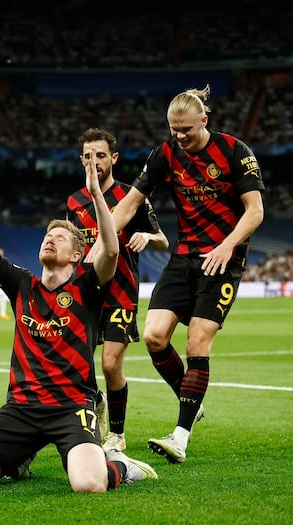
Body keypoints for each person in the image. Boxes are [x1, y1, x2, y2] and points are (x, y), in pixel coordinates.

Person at [0, 139, 158, 492]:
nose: (51, 239)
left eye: (61, 238)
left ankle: (120, 466)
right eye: (49, 235)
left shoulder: (88, 287)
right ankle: (18, 459)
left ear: (77, 255)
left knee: (89, 484)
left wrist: (96, 196)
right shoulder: (21, 285)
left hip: (71, 407)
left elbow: (110, 248)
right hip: (21, 407)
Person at [86, 85, 265, 464]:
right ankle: (190, 397)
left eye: (187, 129)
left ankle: (180, 436)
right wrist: (100, 244)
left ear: (205, 120)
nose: (180, 137)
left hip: (224, 260)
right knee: (153, 337)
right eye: (174, 130)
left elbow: (255, 211)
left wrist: (227, 245)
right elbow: (130, 202)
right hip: (184, 258)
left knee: (198, 343)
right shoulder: (165, 154)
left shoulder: (235, 151)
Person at [66, 128, 169, 453]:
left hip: (121, 293)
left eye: (100, 155)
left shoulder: (132, 196)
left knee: (111, 364)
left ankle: (117, 434)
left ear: (114, 158)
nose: (94, 161)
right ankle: (94, 402)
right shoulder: (74, 202)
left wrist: (149, 238)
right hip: (86, 293)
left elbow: (163, 239)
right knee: (80, 366)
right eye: (88, 155)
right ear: (81, 160)